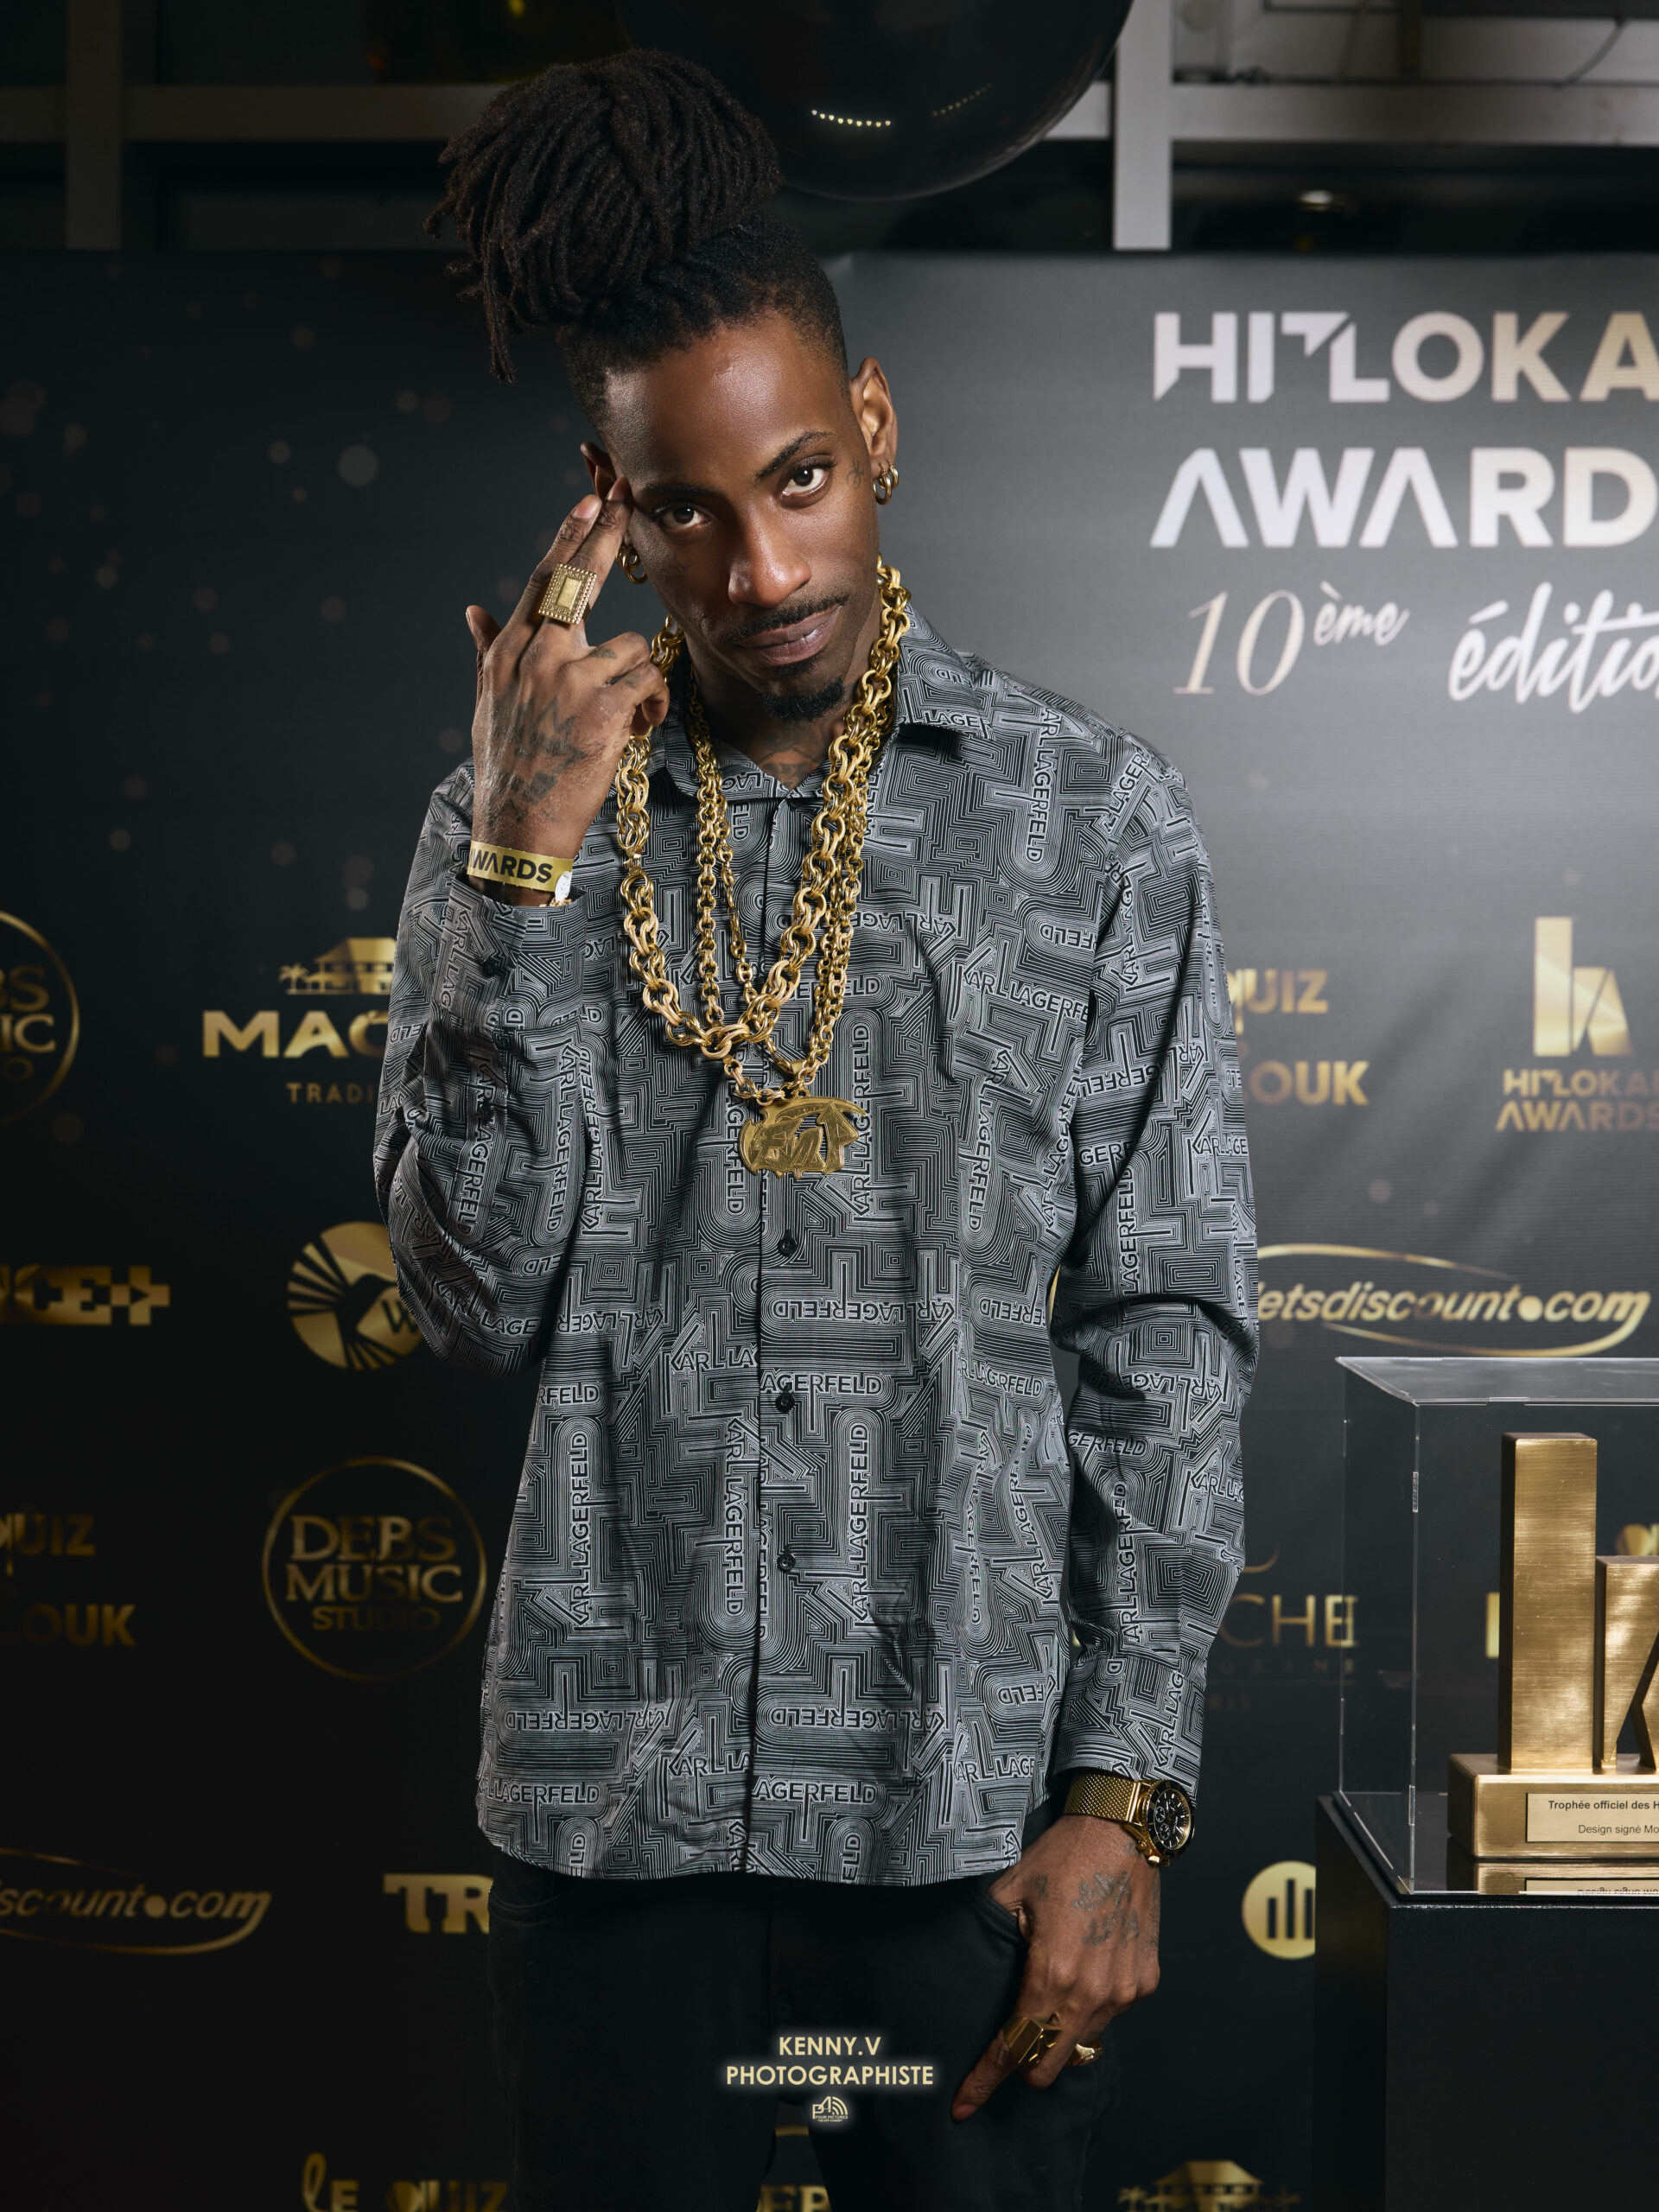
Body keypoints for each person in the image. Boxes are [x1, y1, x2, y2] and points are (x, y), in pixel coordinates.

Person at [375, 47, 1256, 2212]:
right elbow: (468, 1300)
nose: (762, 563)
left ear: (873, 429)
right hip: (617, 1816)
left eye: (797, 479)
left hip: (963, 1820)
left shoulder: (1092, 820)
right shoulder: (516, 817)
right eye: (687, 507)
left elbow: (1166, 1329)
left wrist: (1123, 1794)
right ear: (607, 503)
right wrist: (518, 875)